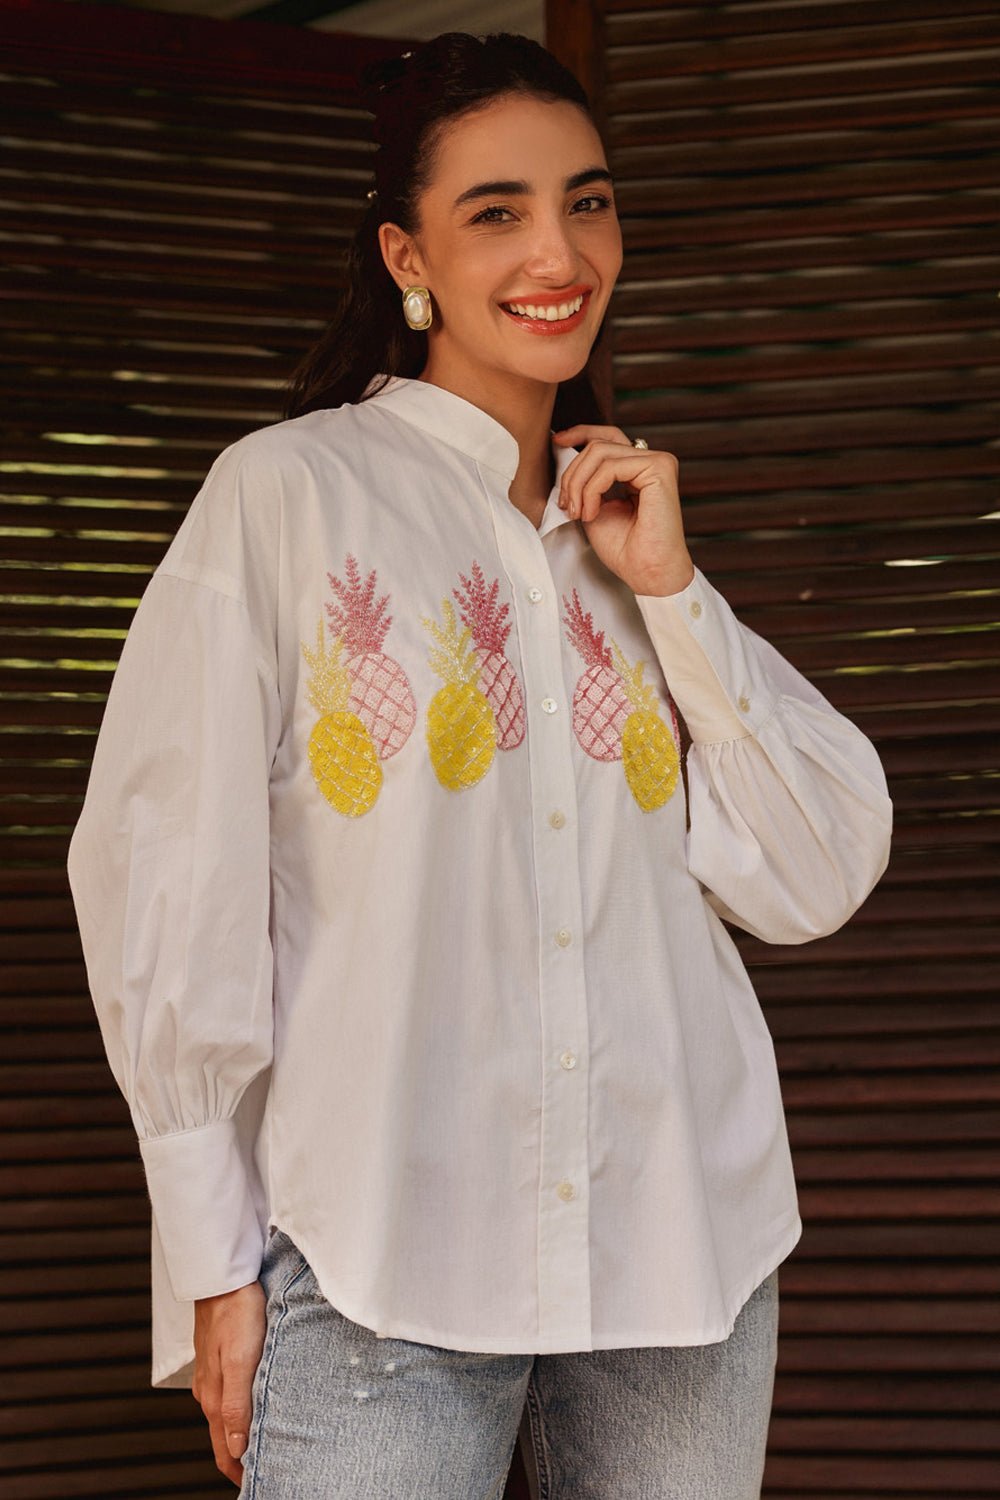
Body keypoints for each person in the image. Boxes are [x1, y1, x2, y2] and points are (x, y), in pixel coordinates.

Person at [68, 31, 892, 1500]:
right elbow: (166, 869)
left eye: (588, 201)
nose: (557, 252)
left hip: (679, 1257)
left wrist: (675, 593)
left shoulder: (630, 532)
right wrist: (212, 1261)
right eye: (496, 211)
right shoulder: (286, 495)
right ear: (409, 256)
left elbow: (817, 870)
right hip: (379, 1255)